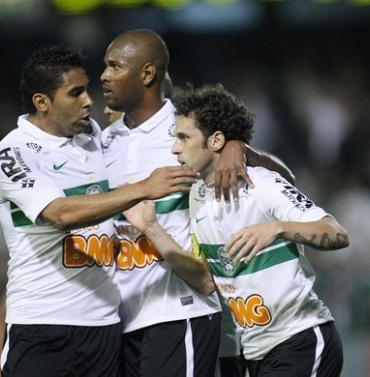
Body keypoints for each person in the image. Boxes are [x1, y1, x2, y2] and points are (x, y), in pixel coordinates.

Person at [0, 45, 199, 377]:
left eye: (87, 89)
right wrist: (143, 188)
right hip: (44, 327)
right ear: (41, 102)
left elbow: (157, 110)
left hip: (105, 327)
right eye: (75, 93)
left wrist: (234, 147)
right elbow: (60, 214)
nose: (89, 101)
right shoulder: (10, 154)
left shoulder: (91, 138)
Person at [100, 29, 295, 377]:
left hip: (179, 310)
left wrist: (239, 149)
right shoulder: (105, 141)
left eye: (115, 66)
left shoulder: (187, 130)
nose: (104, 76)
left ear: (147, 74)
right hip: (123, 318)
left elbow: (284, 181)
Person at [125, 84, 349, 377]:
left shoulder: (261, 184)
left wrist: (277, 228)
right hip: (255, 352)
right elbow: (206, 282)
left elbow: (336, 233)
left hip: (301, 338)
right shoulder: (197, 198)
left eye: (184, 137)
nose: (174, 147)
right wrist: (151, 229)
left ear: (216, 140)